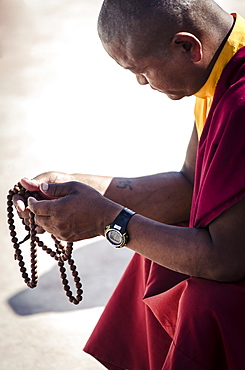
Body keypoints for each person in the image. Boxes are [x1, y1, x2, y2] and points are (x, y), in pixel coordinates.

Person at [14, 0, 245, 369]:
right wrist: (78, 186)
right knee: (157, 249)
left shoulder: (241, 102)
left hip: (232, 258)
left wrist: (109, 222)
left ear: (187, 47)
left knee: (207, 302)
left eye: (141, 70)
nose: (141, 82)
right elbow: (189, 184)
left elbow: (227, 260)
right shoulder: (222, 69)